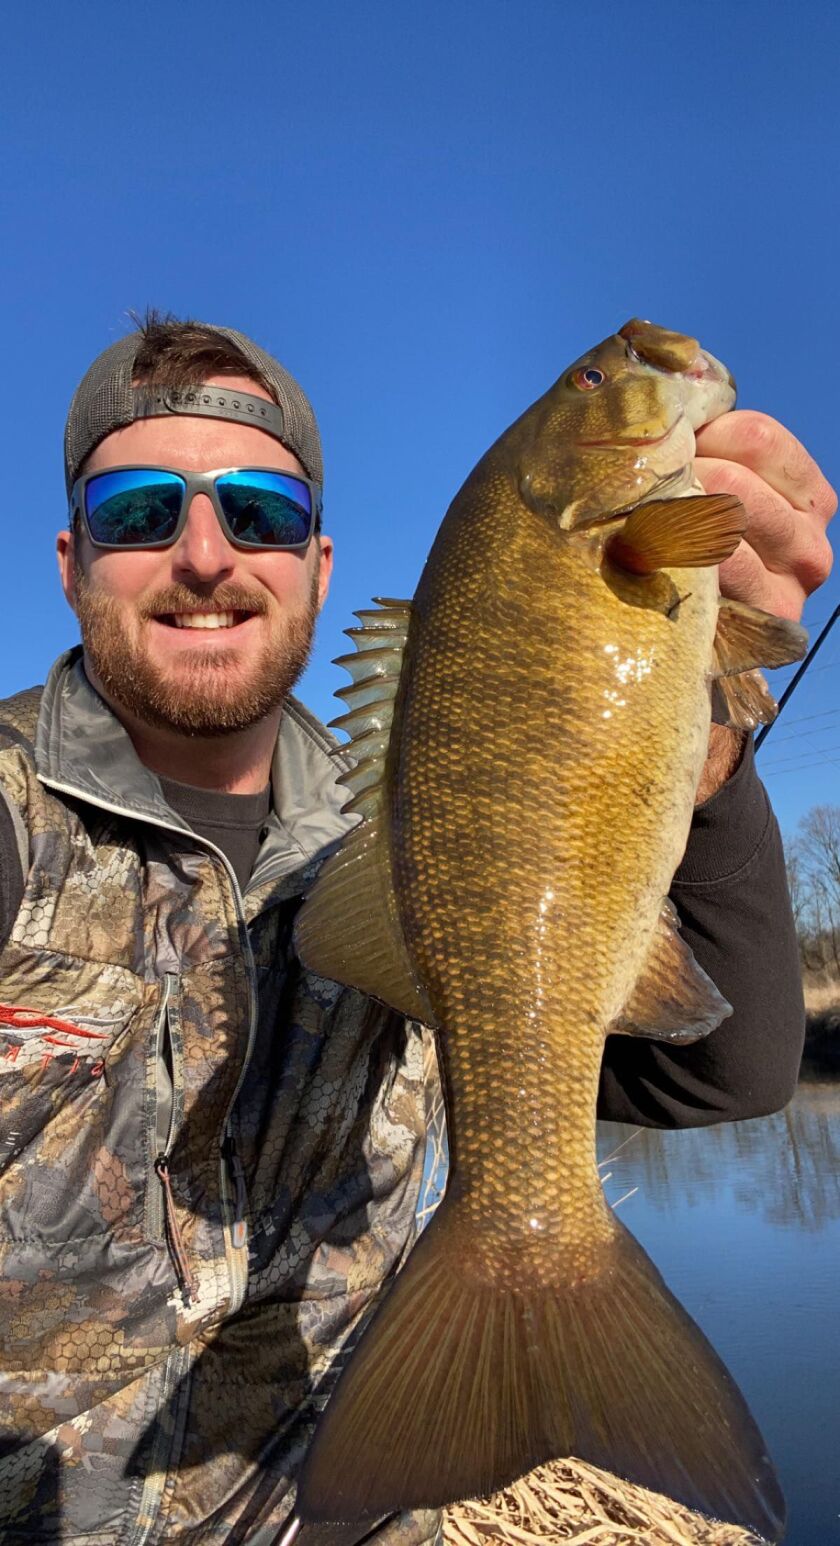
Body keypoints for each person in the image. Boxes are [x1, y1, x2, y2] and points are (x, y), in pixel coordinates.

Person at [0, 314, 834, 1544]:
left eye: (260, 513)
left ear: (319, 562)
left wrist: (699, 760)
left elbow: (733, 1069)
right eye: (140, 511)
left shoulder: (407, 836)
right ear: (73, 561)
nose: (205, 554)